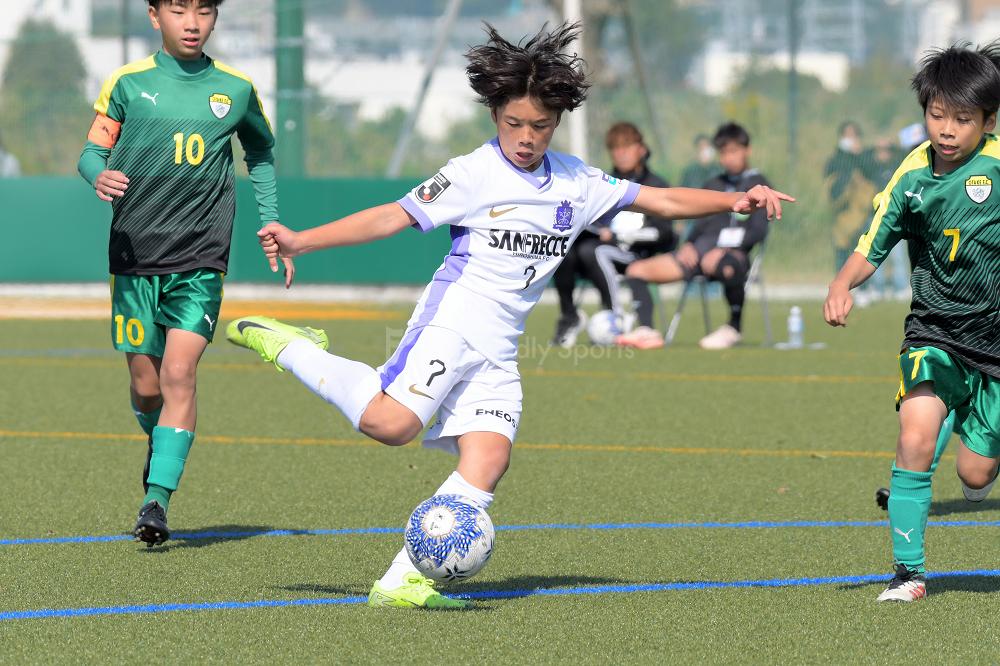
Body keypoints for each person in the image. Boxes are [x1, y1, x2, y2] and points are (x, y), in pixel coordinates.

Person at [225, 23, 793, 610]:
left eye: (539, 125)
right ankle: (293, 347)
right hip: (453, 322)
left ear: (557, 122)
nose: (525, 137)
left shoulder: (577, 180)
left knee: (490, 457)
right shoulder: (472, 173)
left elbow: (662, 200)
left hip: (500, 346)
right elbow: (392, 217)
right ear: (495, 115)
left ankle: (402, 580)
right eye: (513, 123)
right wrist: (302, 241)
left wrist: (735, 199)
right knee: (390, 426)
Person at [76, 0, 293, 546]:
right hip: (134, 254)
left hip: (201, 256)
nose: (192, 23)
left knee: (179, 374)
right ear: (155, 16)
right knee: (146, 386)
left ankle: (157, 500)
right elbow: (90, 153)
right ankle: (159, 440)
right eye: (178, 10)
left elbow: (261, 154)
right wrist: (98, 175)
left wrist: (270, 221)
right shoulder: (126, 83)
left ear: (216, 17)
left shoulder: (236, 89)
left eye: (203, 11)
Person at [825, 40, 1000, 602]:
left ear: (988, 122)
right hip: (934, 331)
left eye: (963, 119)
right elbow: (872, 244)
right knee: (915, 438)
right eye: (937, 115)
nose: (947, 130)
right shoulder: (911, 176)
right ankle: (909, 574)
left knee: (975, 475)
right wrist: (841, 284)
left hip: (995, 339)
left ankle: (975, 431)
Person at [625, 122, 773, 350]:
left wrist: (721, 249)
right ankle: (646, 331)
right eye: (723, 152)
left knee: (728, 266)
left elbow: (757, 232)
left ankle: (733, 328)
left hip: (731, 257)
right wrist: (688, 245)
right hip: (697, 256)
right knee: (636, 270)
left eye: (733, 151)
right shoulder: (713, 184)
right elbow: (698, 225)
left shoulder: (759, 185)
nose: (728, 158)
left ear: (747, 150)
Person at [550, 121, 676, 349]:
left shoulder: (655, 185)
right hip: (597, 251)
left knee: (594, 251)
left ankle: (615, 317)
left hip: (636, 255)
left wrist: (618, 236)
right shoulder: (606, 185)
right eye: (615, 148)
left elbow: (663, 233)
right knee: (565, 250)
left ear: (641, 149)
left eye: (626, 146)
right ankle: (569, 316)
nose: (621, 153)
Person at [825, 121, 877, 275]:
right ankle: (841, 280)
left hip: (862, 210)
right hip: (843, 208)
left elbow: (871, 173)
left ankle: (862, 283)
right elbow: (831, 178)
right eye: (847, 135)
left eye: (853, 135)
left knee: (861, 249)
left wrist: (859, 155)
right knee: (841, 248)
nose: (850, 139)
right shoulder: (836, 158)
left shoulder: (864, 156)